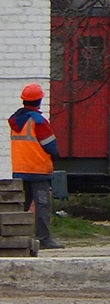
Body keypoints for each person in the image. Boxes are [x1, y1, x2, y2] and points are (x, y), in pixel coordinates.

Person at [9, 82, 63, 249]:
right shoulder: (38, 121)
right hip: (38, 170)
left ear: (24, 100)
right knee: (42, 206)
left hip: (19, 169)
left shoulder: (15, 121)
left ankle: (13, 238)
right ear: (39, 100)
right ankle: (44, 239)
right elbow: (51, 146)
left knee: (19, 207)